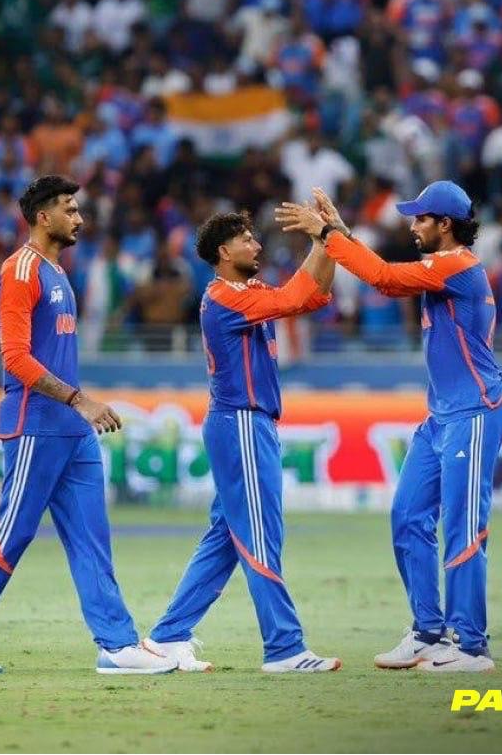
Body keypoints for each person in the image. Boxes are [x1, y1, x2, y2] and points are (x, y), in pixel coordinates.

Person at [276, 182, 502, 673]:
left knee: (463, 526)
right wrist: (340, 232)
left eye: (421, 219)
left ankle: (471, 646)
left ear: (445, 224)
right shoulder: (440, 266)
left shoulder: (458, 266)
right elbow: (384, 273)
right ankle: (428, 632)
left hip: (475, 410)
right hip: (442, 414)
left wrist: (327, 235)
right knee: (408, 515)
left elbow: (385, 279)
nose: (413, 226)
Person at [0, 175, 173, 676]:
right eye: (69, 208)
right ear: (43, 217)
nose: (79, 217)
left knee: (92, 537)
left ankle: (116, 644)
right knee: (15, 532)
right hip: (35, 424)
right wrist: (79, 400)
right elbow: (15, 357)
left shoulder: (59, 272)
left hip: (72, 431)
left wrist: (76, 408)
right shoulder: (20, 269)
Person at [145, 210, 341, 673]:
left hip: (245, 424)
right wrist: (325, 237)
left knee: (225, 538)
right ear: (223, 252)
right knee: (260, 533)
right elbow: (296, 296)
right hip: (241, 424)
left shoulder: (246, 292)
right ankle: (285, 648)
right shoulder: (224, 297)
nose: (256, 244)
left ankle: (167, 637)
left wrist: (327, 241)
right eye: (246, 239)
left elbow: (314, 294)